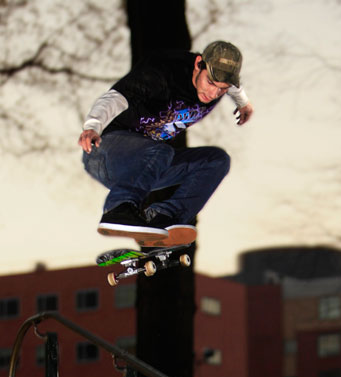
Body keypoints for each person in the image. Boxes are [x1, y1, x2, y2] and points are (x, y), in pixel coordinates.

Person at [78, 40, 253, 244]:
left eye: (222, 89)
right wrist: (93, 126)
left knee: (217, 160)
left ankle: (164, 218)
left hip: (149, 170)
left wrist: (244, 104)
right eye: (211, 83)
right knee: (161, 151)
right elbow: (116, 97)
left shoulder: (221, 83)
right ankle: (118, 208)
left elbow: (235, 88)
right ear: (198, 64)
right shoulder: (162, 71)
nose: (213, 94)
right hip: (106, 152)